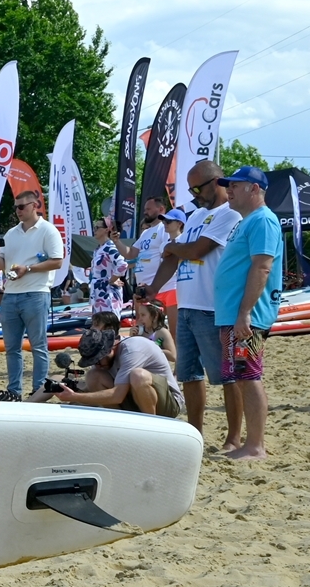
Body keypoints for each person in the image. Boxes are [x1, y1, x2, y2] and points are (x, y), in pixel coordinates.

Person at [137, 161, 242, 449]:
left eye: (197, 189)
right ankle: (195, 433)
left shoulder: (230, 213)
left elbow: (196, 249)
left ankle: (233, 438)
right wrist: (153, 288)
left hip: (213, 306)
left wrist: (173, 247)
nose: (194, 195)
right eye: (191, 190)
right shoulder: (196, 215)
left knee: (227, 376)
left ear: (217, 182)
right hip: (186, 305)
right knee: (189, 375)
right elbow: (174, 256)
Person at [213, 165, 284, 461]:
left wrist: (244, 312)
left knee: (247, 375)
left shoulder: (263, 220)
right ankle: (251, 444)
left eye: (235, 185)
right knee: (241, 376)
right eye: (228, 185)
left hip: (246, 317)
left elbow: (263, 267)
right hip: (236, 315)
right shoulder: (249, 221)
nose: (228, 190)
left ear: (254, 189)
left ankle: (255, 446)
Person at [0, 189, 64, 399]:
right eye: (16, 207)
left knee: (38, 346)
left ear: (35, 205)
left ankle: (38, 390)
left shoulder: (48, 230)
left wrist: (28, 268)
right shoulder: (11, 233)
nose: (18, 211)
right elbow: (2, 265)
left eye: (21, 206)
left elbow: (58, 261)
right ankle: (14, 391)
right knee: (12, 348)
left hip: (36, 293)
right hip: (11, 294)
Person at [54, 327, 183, 417]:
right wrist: (72, 391)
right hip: (136, 400)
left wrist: (75, 396)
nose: (96, 365)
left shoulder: (132, 350)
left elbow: (117, 395)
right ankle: (120, 421)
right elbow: (99, 392)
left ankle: (151, 426)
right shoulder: (104, 361)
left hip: (169, 403)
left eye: (97, 360)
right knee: (93, 376)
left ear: (109, 350)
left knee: (138, 375)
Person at [115, 196, 177, 332]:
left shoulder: (164, 229)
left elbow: (169, 255)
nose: (145, 212)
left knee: (172, 331)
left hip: (166, 287)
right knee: (147, 330)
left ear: (161, 209)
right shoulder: (146, 233)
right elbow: (131, 253)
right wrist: (117, 241)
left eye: (148, 209)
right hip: (146, 289)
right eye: (145, 209)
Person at [88, 217, 129, 317]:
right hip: (99, 294)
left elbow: (122, 264)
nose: (94, 230)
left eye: (97, 227)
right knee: (100, 323)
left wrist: (112, 280)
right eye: (94, 228)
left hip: (108, 294)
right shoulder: (98, 249)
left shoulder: (110, 247)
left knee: (109, 323)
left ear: (106, 230)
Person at [130, 302, 176, 366]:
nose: (140, 319)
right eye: (139, 315)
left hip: (157, 369)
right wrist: (132, 338)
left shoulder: (162, 332)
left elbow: (173, 356)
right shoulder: (140, 332)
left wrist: (153, 349)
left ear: (155, 316)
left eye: (143, 315)